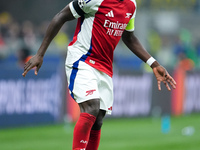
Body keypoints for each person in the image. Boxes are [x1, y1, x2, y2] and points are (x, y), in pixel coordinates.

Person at [22, 0, 176, 149]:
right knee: (92, 107)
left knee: (98, 120)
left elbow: (129, 37)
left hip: (104, 67)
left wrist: (154, 64)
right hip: (82, 59)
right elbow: (61, 15)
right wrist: (40, 54)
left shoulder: (131, 5)